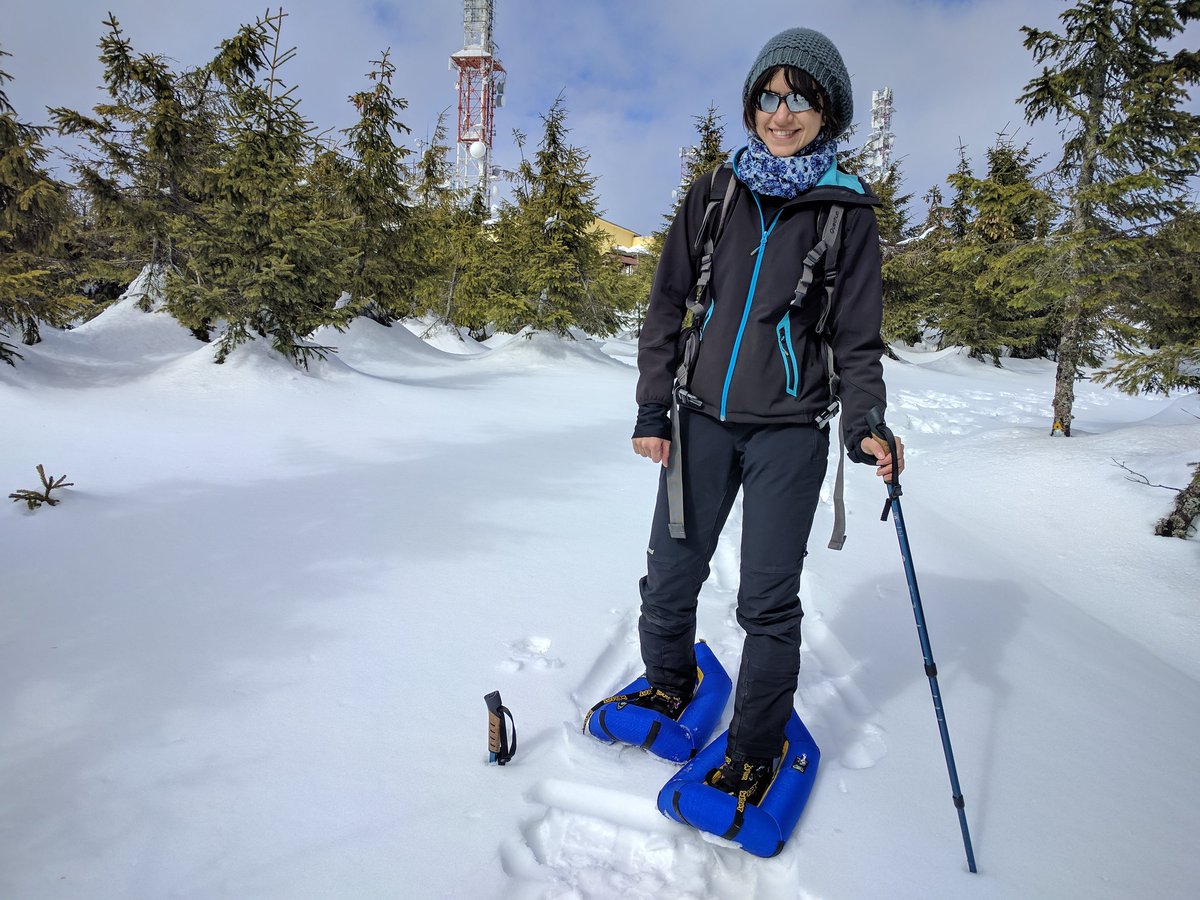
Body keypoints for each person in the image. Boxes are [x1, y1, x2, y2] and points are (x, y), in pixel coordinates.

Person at [627, 28, 903, 801]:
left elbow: (857, 340)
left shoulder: (847, 213)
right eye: (769, 96)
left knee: (767, 603)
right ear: (753, 105)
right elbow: (667, 304)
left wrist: (865, 423)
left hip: (789, 434)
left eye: (800, 98)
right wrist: (654, 406)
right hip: (698, 422)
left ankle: (753, 747)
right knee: (670, 577)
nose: (782, 114)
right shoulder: (716, 191)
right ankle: (669, 682)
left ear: (827, 110)